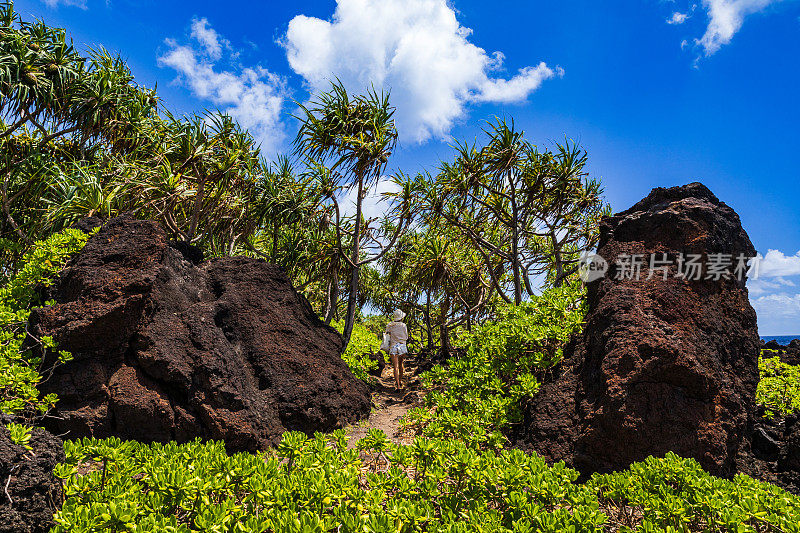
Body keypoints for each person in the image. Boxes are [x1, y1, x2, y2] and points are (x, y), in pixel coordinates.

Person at [384, 309, 409, 390]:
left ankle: (397, 385)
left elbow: (387, 334)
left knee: (395, 367)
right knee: (401, 364)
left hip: (393, 347)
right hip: (402, 346)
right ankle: (400, 381)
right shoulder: (403, 325)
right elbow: (406, 337)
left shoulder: (390, 325)